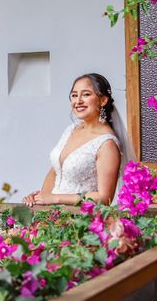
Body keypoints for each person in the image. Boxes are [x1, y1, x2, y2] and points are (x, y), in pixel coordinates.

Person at [22, 73, 135, 207]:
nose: (78, 101)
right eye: (74, 95)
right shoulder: (70, 130)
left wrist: (55, 198)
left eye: (86, 94)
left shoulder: (107, 143)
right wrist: (40, 198)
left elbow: (104, 197)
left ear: (103, 100)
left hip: (80, 220)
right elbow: (55, 170)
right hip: (52, 216)